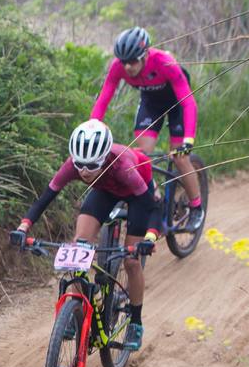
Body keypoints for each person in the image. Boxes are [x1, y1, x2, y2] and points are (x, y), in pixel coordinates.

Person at [11, 119, 160, 351]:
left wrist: (150, 237)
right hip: (105, 190)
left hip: (138, 192)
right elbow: (46, 197)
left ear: (104, 159)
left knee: (131, 262)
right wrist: (23, 227)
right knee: (78, 247)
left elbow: (152, 206)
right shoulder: (74, 165)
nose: (84, 171)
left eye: (91, 165)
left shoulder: (123, 167)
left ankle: (136, 321)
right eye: (80, 164)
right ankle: (76, 309)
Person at [91, 26, 203, 229]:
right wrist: (93, 126)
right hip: (151, 104)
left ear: (145, 54)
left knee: (180, 157)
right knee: (140, 156)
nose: (127, 67)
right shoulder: (119, 66)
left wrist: (188, 140)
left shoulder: (164, 62)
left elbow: (188, 103)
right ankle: (154, 197)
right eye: (124, 61)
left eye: (133, 61)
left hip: (178, 104)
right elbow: (105, 97)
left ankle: (196, 206)